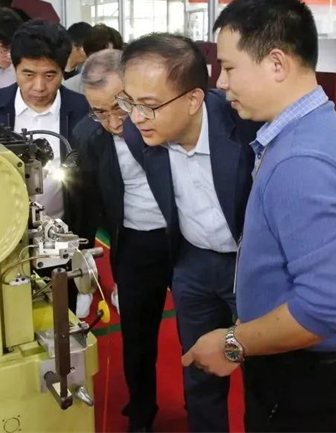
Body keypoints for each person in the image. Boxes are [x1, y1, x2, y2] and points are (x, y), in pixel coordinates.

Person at [181, 0, 336, 433]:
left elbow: (326, 309)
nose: (221, 83)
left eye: (229, 67)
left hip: (302, 379)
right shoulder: (315, 128)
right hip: (308, 364)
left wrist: (231, 343)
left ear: (276, 64)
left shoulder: (301, 161)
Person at [117, 33, 260, 433]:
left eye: (149, 105)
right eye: (129, 102)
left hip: (249, 265)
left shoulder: (244, 126)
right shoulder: (139, 133)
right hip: (192, 263)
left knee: (263, 371)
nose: (136, 117)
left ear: (194, 99)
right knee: (198, 367)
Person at [73, 49, 170, 433]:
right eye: (100, 112)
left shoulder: (167, 120)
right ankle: (142, 412)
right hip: (133, 244)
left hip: (186, 240)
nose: (113, 122)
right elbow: (85, 200)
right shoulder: (89, 136)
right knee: (137, 336)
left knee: (198, 333)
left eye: (119, 108)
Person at [0, 19, 89, 310]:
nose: (39, 86)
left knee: (61, 311)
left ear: (64, 70)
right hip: (2, 237)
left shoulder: (82, 110)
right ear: (14, 67)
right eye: (28, 74)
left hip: (62, 236)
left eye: (50, 75)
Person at [64, 24, 125, 94]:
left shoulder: (128, 85)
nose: (105, 62)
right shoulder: (69, 88)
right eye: (99, 58)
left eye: (110, 56)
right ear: (88, 55)